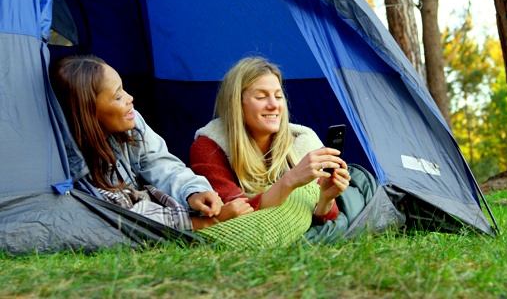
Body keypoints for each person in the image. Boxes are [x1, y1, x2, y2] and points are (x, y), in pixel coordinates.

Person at [50, 55, 253, 231]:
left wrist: (194, 192)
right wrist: (206, 223)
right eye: (118, 96)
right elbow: (121, 217)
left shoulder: (132, 123)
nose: (130, 98)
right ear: (88, 112)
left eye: (124, 90)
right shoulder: (71, 163)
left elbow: (161, 164)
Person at [190, 56, 351, 226]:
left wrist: (326, 198)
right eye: (261, 97)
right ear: (236, 103)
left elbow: (326, 216)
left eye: (278, 96)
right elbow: (235, 213)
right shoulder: (210, 146)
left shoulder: (302, 143)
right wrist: (291, 180)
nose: (274, 105)